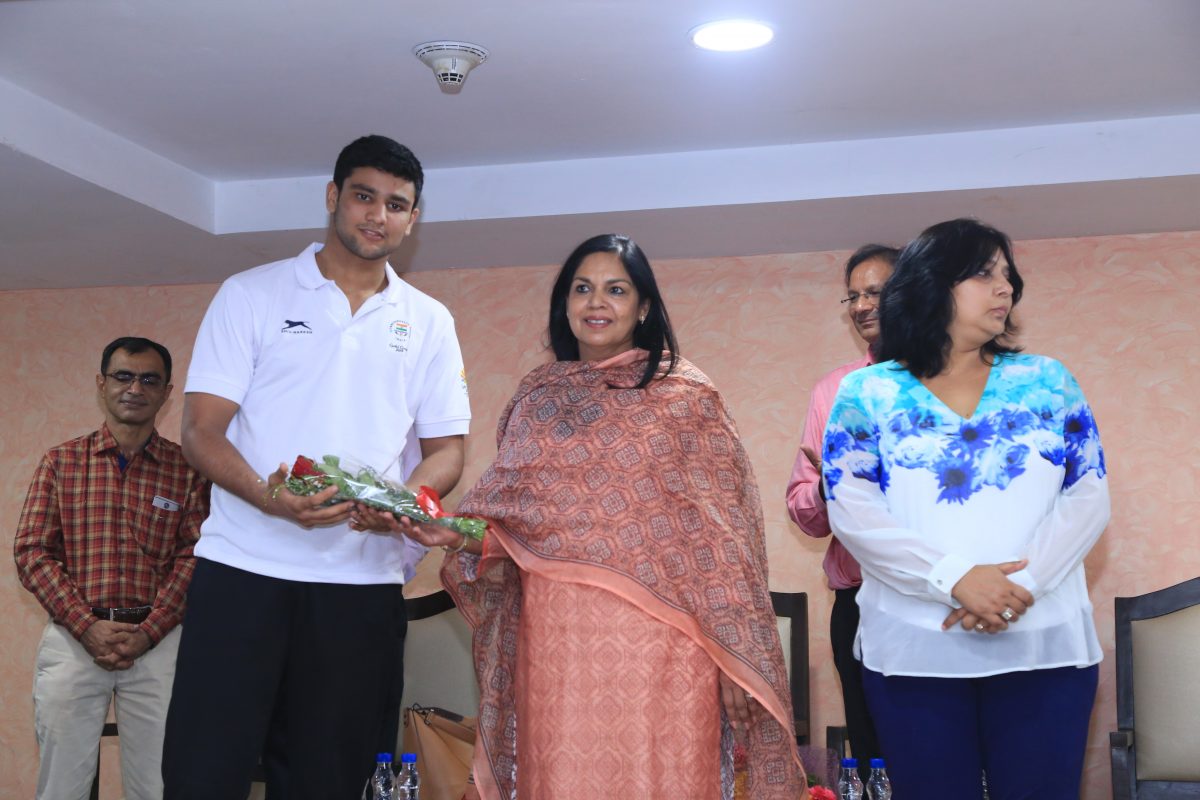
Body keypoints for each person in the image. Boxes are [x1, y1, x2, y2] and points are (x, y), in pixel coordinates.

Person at [418, 234, 806, 799]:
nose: (596, 302)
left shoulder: (686, 398)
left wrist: (731, 656)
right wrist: (454, 533)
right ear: (565, 304)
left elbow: (724, 545)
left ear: (643, 306)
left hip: (668, 647)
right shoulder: (538, 401)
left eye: (616, 290)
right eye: (582, 289)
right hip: (558, 646)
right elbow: (513, 533)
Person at [161, 135, 472, 800]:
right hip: (242, 573)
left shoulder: (429, 321)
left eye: (396, 205)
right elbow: (200, 431)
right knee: (202, 774)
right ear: (333, 197)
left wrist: (399, 501)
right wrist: (267, 496)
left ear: (413, 219)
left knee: (332, 780)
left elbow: (448, 449)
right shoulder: (251, 294)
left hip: (361, 587)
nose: (378, 215)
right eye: (364, 196)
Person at [822, 218, 1110, 798]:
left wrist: (1017, 587)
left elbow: (1088, 494)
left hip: (1043, 645)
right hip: (913, 650)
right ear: (930, 283)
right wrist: (953, 578)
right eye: (983, 273)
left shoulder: (1048, 381)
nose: (1006, 288)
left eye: (1007, 275)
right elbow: (851, 508)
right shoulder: (867, 393)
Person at [14, 336, 208, 800]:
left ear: (166, 392)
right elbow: (33, 551)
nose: (135, 388)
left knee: (159, 785)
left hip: (158, 643)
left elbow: (196, 554)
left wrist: (149, 631)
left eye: (149, 380)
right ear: (102, 384)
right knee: (62, 786)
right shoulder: (60, 462)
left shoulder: (187, 469)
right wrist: (86, 626)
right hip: (73, 641)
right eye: (123, 376)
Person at [785, 243, 896, 774]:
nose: (861, 306)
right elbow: (803, 511)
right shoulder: (835, 390)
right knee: (875, 758)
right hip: (859, 602)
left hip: (944, 599)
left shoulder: (952, 380)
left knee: (946, 755)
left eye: (875, 292)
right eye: (853, 296)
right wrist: (832, 486)